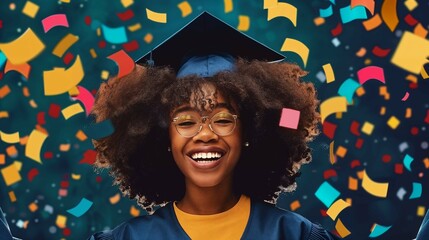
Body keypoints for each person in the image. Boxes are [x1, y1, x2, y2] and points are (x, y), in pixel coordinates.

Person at [89, 12, 340, 240]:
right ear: (163, 137)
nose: (206, 134)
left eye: (222, 120)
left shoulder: (293, 235)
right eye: (186, 121)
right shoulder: (131, 238)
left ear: (251, 131)